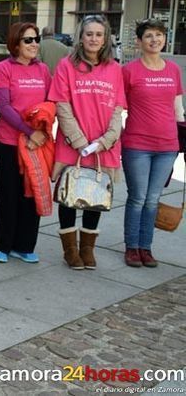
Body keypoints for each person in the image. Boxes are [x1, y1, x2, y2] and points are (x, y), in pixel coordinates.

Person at [48, 15, 126, 270]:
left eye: (99, 35)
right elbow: (62, 105)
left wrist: (105, 141)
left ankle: (87, 249)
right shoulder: (66, 66)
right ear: (80, 37)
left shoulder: (114, 69)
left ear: (106, 40)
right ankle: (70, 250)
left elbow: (118, 109)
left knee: (96, 195)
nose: (94, 39)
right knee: (69, 196)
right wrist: (80, 141)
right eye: (89, 34)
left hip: (103, 147)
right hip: (74, 144)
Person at [121, 19, 184, 267]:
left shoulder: (173, 70)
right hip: (137, 144)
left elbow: (178, 108)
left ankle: (146, 248)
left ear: (165, 40)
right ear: (139, 42)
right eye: (149, 35)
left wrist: (183, 138)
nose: (154, 39)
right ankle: (131, 247)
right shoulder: (129, 71)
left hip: (168, 146)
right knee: (137, 197)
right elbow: (117, 106)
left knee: (153, 198)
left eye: (159, 35)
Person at [0, 22, 52, 264]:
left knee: (31, 193)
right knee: (9, 194)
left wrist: (41, 130)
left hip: (37, 143)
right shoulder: (4, 68)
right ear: (16, 43)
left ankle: (25, 245)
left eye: (36, 39)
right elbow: (4, 107)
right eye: (28, 40)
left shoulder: (43, 70)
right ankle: (3, 246)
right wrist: (28, 130)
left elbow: (50, 102)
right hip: (9, 142)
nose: (34, 44)